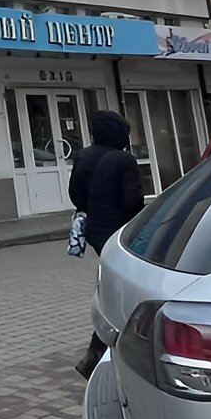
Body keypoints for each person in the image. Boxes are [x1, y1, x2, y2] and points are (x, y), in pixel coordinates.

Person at [69, 109, 146, 378]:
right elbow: (132, 201)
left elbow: (75, 194)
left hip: (96, 230)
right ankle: (98, 353)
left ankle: (97, 352)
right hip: (122, 232)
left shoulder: (84, 156)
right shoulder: (123, 160)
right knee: (122, 290)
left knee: (114, 285)